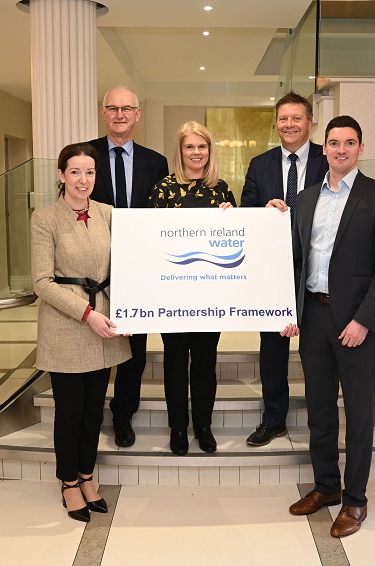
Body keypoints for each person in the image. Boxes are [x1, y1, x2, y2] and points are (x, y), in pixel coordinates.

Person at [277, 115, 375, 538]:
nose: (340, 149)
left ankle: (356, 500)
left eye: (349, 143)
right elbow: (296, 261)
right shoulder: (307, 198)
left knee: (360, 414)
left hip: (355, 325)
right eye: (333, 143)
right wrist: (287, 311)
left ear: (360, 148)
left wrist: (363, 321)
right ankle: (327, 487)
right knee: (320, 410)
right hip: (312, 317)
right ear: (323, 148)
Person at [31, 143, 131, 523]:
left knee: (93, 413)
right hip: (68, 327)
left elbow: (132, 262)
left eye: (89, 172)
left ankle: (87, 475)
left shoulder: (108, 213)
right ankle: (68, 482)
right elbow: (42, 282)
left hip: (105, 326)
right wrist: (86, 313)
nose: (83, 180)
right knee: (69, 413)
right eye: (75, 172)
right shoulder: (45, 218)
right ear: (61, 175)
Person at [240, 91, 328, 447]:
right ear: (276, 123)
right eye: (283, 119)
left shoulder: (329, 157)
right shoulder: (260, 164)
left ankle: (320, 423)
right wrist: (264, 208)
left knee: (317, 350)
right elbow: (245, 210)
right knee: (272, 350)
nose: (289, 124)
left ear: (310, 122)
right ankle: (273, 419)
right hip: (273, 271)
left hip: (316, 269)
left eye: (296, 118)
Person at [88, 86, 169, 448]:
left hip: (140, 270)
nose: (120, 114)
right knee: (95, 344)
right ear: (104, 114)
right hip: (94, 269)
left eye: (127, 109)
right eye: (113, 108)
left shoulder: (157, 162)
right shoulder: (85, 155)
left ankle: (123, 414)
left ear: (138, 115)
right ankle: (90, 413)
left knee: (134, 350)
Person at [149, 121, 235, 456]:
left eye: (202, 147)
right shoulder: (162, 190)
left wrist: (233, 217)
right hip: (172, 295)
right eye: (190, 147)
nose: (196, 153)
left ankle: (203, 425)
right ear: (180, 151)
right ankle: (177, 428)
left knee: (204, 363)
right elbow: (151, 242)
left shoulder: (222, 191)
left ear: (209, 151)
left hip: (210, 295)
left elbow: (234, 243)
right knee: (174, 363)